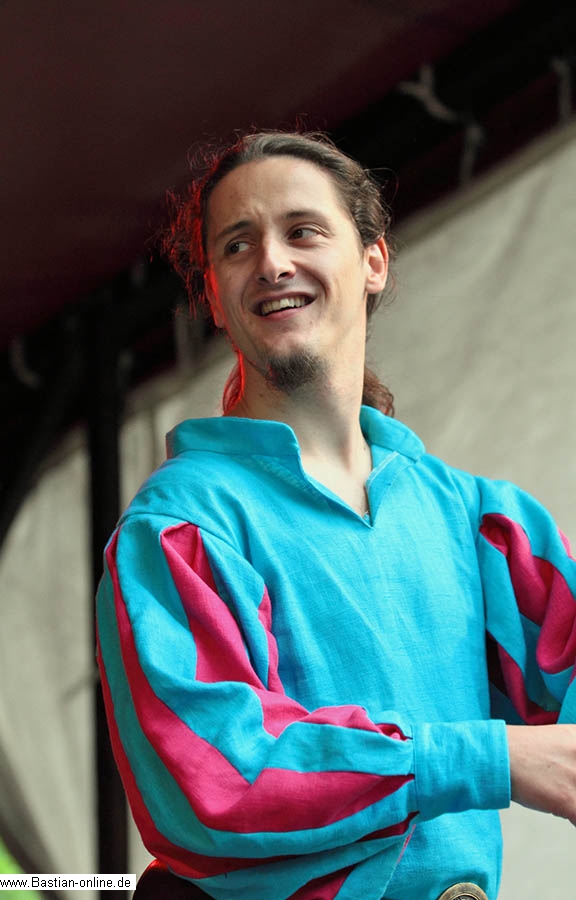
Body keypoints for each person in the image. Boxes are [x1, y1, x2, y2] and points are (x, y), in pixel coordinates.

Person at [96, 130, 576, 900]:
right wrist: (487, 759)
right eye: (237, 245)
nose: (272, 262)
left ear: (373, 261)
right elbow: (215, 779)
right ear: (213, 296)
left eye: (303, 230)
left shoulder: (475, 518)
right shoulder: (179, 526)